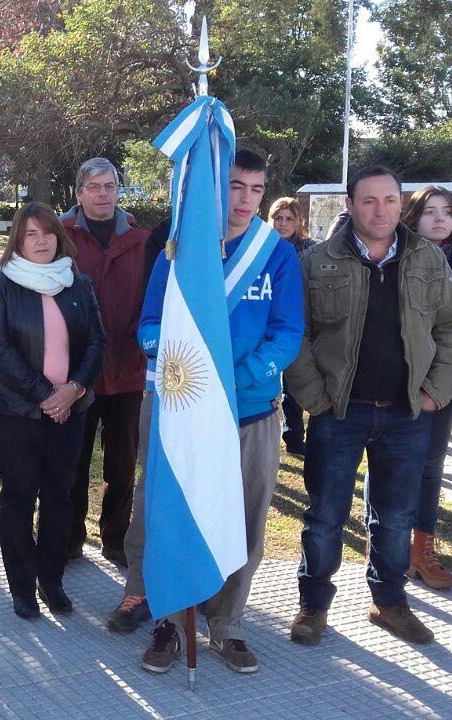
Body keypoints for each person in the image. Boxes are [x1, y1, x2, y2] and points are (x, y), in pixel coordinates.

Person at [129, 151, 303, 675]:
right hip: (182, 410)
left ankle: (227, 622)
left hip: (248, 410)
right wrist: (178, 358)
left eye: (257, 189)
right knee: (170, 512)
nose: (245, 199)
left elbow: (287, 333)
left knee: (244, 518)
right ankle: (169, 619)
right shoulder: (179, 248)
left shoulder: (277, 254)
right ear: (215, 188)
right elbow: (148, 326)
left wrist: (234, 379)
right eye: (235, 186)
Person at [285, 165, 452, 647]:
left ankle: (389, 602)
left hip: (407, 414)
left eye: (390, 200)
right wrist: (315, 397)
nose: (380, 210)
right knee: (325, 516)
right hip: (339, 413)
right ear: (350, 205)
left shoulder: (428, 259)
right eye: (369, 200)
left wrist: (434, 391)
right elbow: (294, 332)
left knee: (396, 517)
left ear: (400, 203)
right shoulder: (317, 261)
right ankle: (313, 605)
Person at [0, 202, 105, 619]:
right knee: (19, 496)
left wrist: (72, 391)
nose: (41, 241)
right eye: (30, 233)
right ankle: (22, 587)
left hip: (72, 410)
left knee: (59, 496)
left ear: (59, 236)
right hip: (17, 413)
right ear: (17, 239)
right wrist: (48, 396)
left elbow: (96, 343)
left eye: (48, 232)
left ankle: (52, 581)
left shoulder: (78, 284)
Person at [59, 158, 149, 566]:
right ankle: (69, 537)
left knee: (123, 464)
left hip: (128, 370)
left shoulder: (141, 239)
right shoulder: (60, 236)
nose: (102, 194)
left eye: (109, 186)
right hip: (76, 372)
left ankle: (114, 537)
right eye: (94, 187)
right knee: (72, 462)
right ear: (79, 193)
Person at [399, 186, 452, 592]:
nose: (440, 218)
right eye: (430, 211)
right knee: (391, 466)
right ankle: (384, 544)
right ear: (413, 217)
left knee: (431, 468)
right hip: (398, 385)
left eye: (447, 211)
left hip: (441, 387)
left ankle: (420, 549)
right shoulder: (397, 258)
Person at [268, 196, 314, 456]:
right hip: (268, 323)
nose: (283, 223)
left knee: (294, 383)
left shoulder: (309, 249)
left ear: (299, 222)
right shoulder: (262, 248)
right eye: (278, 218)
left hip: (299, 323)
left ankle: (295, 437)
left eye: (289, 219)